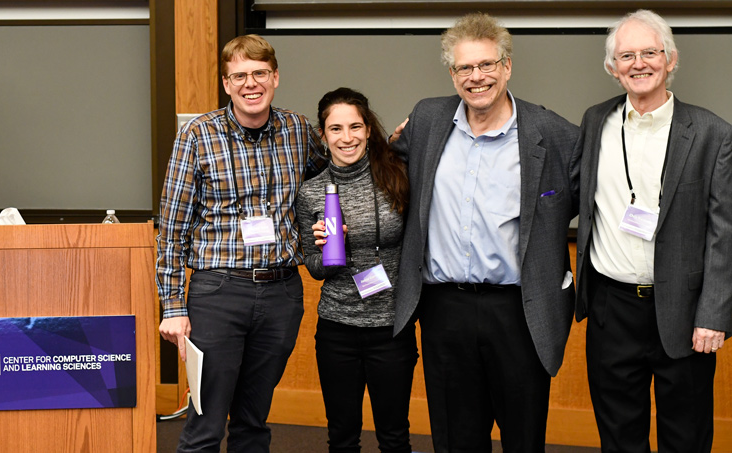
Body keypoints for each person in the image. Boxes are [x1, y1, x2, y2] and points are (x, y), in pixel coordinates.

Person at [389, 13, 580, 452]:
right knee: (457, 440)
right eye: (464, 68)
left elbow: (592, 202)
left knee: (523, 439)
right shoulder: (428, 120)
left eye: (487, 65)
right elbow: (379, 168)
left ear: (507, 66)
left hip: (520, 311)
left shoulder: (553, 133)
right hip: (444, 310)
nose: (477, 77)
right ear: (452, 73)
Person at [155, 34, 326, 453]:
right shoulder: (198, 135)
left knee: (254, 420)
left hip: (283, 293)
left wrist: (394, 147)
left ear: (276, 77)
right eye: (240, 75)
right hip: (218, 292)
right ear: (227, 83)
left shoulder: (299, 130)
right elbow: (172, 228)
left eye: (260, 73)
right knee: (206, 423)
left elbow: (337, 173)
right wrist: (173, 308)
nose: (252, 84)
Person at [574, 9, 731, 452]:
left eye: (650, 52)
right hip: (611, 309)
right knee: (619, 437)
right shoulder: (594, 122)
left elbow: (726, 233)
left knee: (686, 436)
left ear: (671, 59)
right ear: (612, 67)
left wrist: (713, 315)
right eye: (627, 55)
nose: (638, 63)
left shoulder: (711, 133)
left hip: (683, 312)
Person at [296, 87, 418, 453]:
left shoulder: (398, 176)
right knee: (343, 434)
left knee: (394, 433)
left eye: (355, 127)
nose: (346, 138)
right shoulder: (311, 194)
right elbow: (315, 269)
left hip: (391, 327)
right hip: (338, 329)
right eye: (336, 129)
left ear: (368, 129)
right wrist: (330, 249)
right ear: (323, 135)